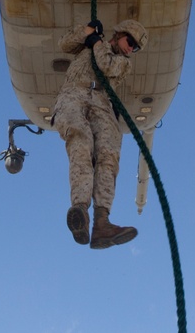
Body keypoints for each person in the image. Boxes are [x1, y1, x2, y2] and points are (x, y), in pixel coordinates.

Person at [51, 18, 148, 249]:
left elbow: (105, 64)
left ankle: (102, 221)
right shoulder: (90, 43)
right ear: (120, 33)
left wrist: (97, 42)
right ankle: (80, 210)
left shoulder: (123, 63)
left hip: (102, 104)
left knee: (108, 157)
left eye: (134, 47)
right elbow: (64, 44)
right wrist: (87, 32)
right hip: (75, 94)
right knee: (81, 142)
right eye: (129, 41)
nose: (130, 48)